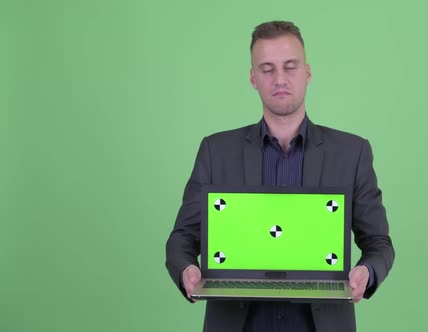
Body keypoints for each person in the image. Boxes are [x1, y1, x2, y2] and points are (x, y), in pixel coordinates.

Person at [165, 20, 394, 332]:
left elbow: (379, 243)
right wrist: (187, 270)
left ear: (307, 73)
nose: (280, 78)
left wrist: (367, 271)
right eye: (267, 68)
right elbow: (182, 238)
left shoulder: (352, 153)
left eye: (290, 66)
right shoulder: (215, 151)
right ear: (253, 78)